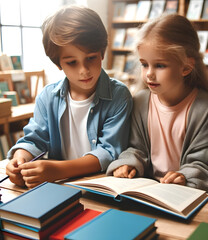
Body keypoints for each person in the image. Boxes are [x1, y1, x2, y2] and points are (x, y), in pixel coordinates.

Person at [6, 5, 132, 188]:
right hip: (58, 186)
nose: (84, 70)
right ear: (58, 64)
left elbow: (109, 152)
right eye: (72, 62)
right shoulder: (48, 97)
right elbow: (34, 140)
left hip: (102, 186)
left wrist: (57, 170)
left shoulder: (119, 96)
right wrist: (20, 161)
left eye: (91, 57)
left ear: (102, 53)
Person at [106, 14, 208, 197]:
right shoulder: (140, 102)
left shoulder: (204, 108)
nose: (149, 74)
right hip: (152, 193)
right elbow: (135, 148)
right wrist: (128, 163)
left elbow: (204, 163)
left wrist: (184, 176)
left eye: (160, 65)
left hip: (196, 195)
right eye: (144, 64)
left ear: (186, 67)